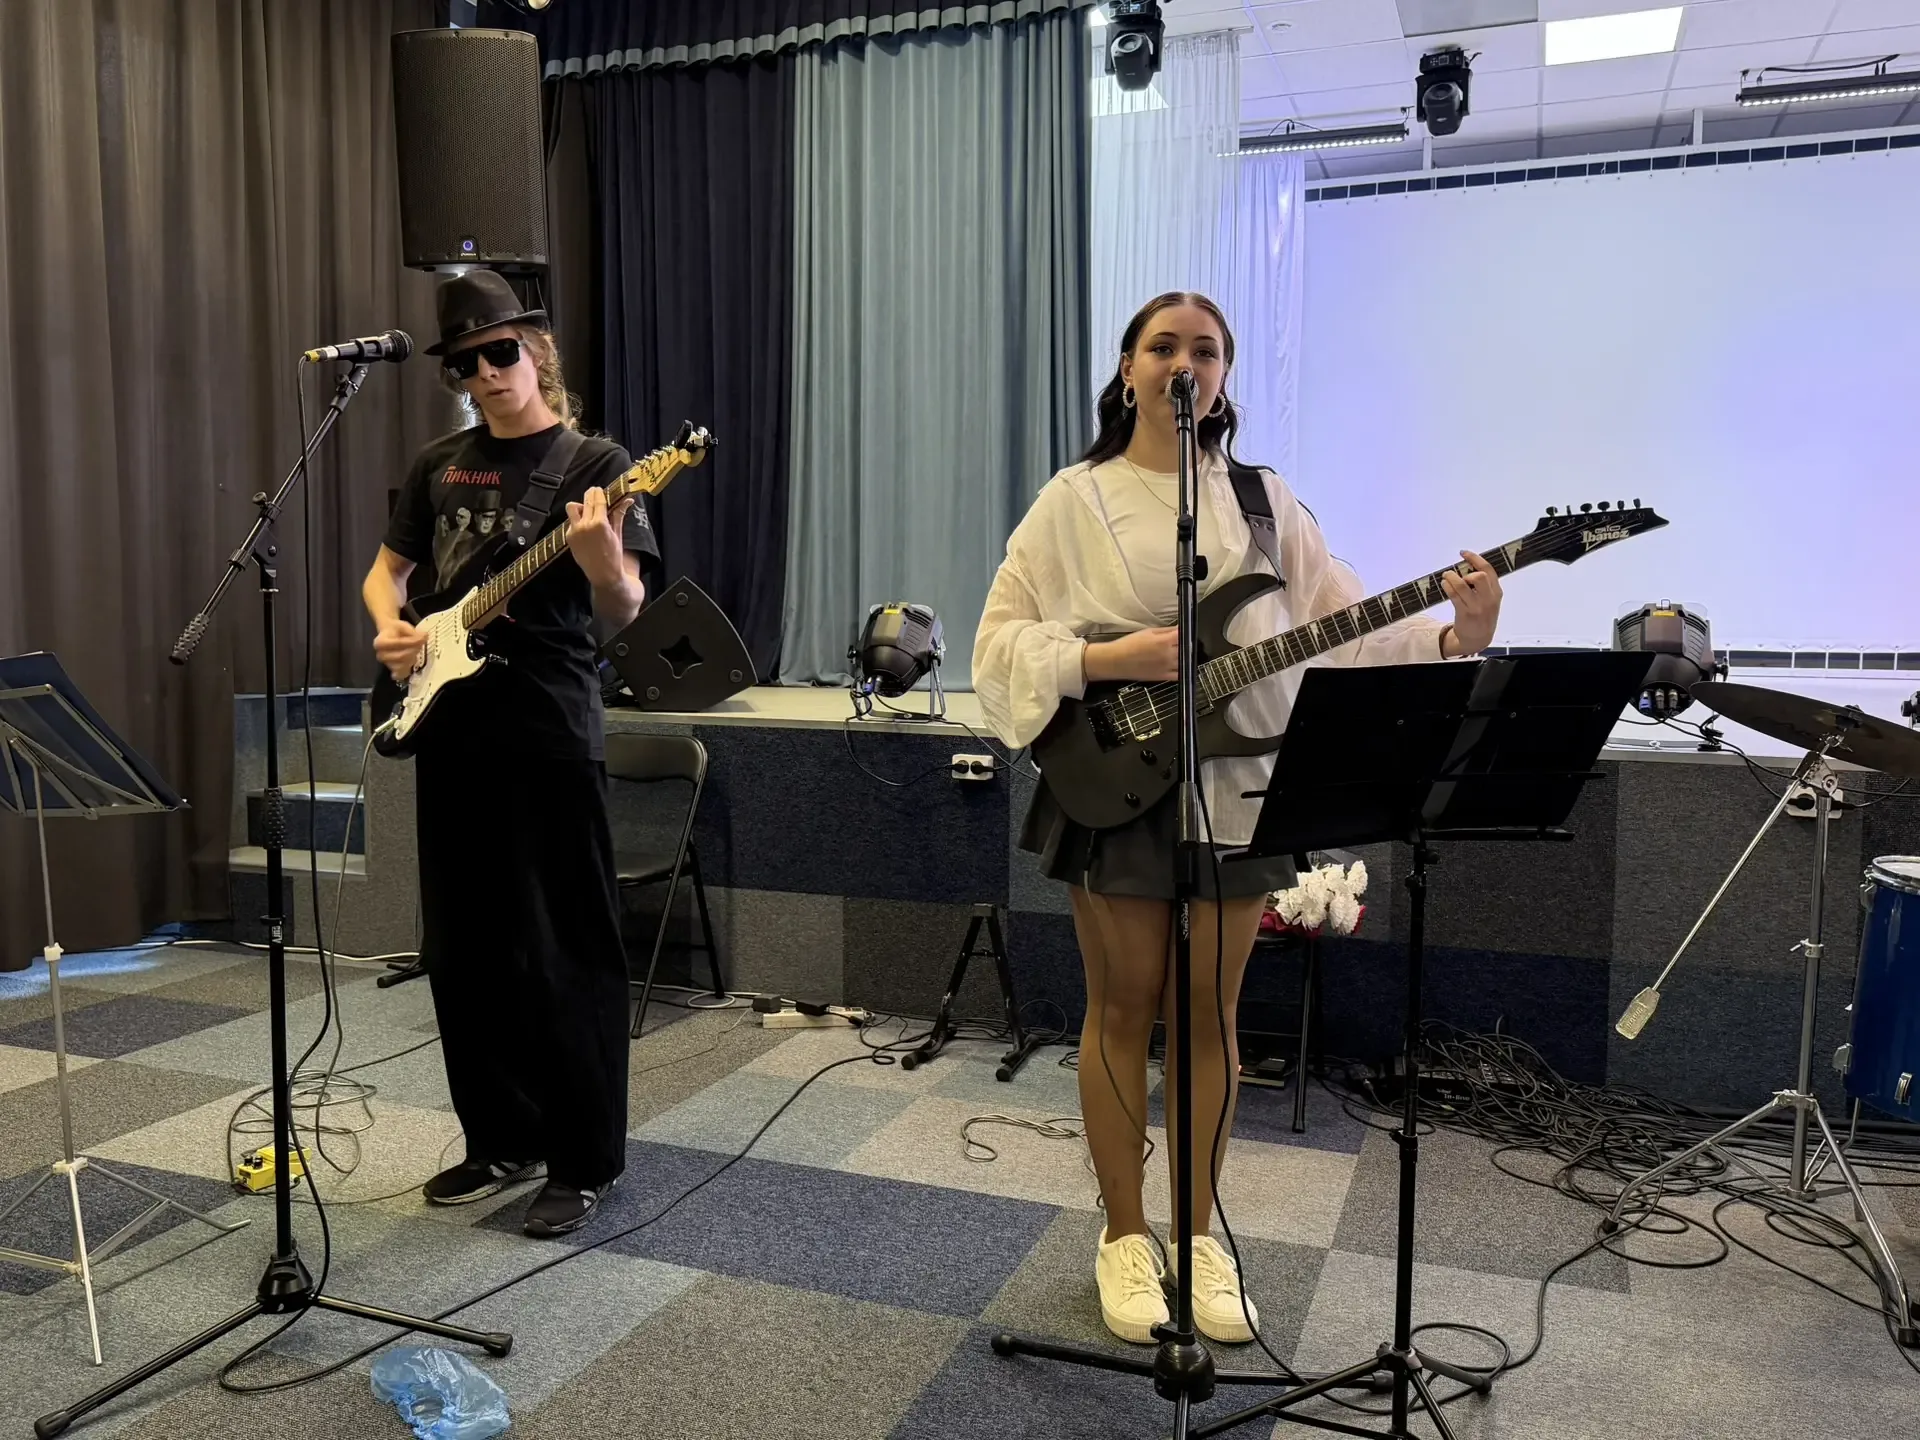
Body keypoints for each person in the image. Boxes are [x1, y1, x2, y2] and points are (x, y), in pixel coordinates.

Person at [972, 291, 1503, 1345]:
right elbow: (998, 642)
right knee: (1122, 1010)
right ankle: (1126, 1235)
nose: (1186, 362)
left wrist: (1456, 636)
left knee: (1212, 1017)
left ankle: (1200, 1234)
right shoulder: (1073, 499)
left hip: (1237, 791)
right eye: (1164, 345)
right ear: (1130, 369)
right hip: (1115, 780)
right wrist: (1105, 658)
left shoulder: (1264, 502)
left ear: (1223, 378)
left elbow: (1339, 624)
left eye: (1207, 350)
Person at [361, 270, 657, 1237]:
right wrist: (391, 627)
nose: (487, 374)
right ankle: (500, 1137)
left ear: (537, 352)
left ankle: (583, 1159)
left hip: (548, 731)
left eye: (501, 353)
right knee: (464, 950)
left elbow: (624, 607)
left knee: (566, 947)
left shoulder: (597, 463)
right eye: (466, 363)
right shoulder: (439, 463)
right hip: (451, 730)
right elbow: (387, 573)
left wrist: (603, 562)